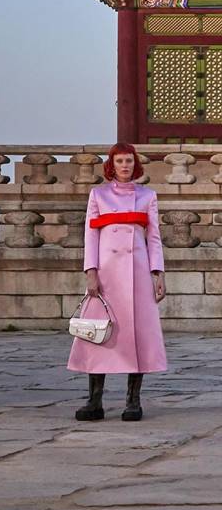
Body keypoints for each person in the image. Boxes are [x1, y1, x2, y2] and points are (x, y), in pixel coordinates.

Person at [68, 142, 167, 422]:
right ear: (112, 165)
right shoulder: (98, 194)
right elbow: (91, 236)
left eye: (129, 161)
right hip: (107, 275)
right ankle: (94, 401)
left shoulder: (147, 196)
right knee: (98, 333)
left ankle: (133, 401)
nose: (125, 166)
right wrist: (91, 271)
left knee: (137, 335)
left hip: (138, 272)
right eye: (120, 161)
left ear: (136, 164)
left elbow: (155, 238)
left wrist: (157, 273)